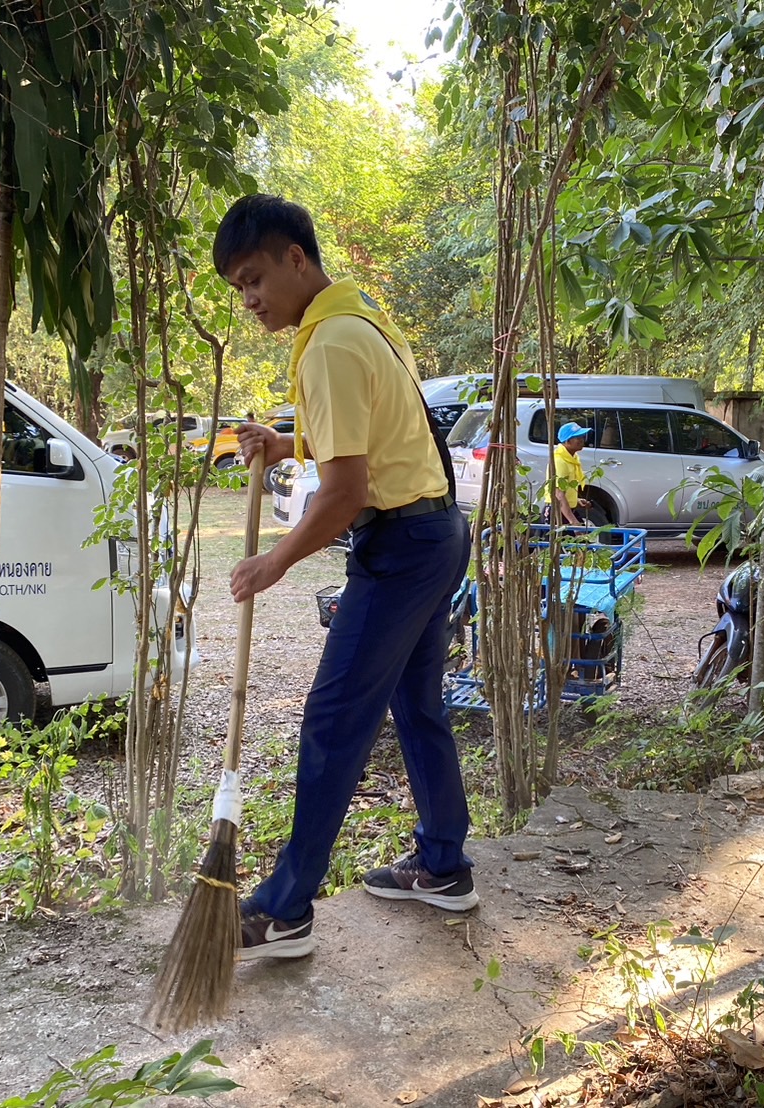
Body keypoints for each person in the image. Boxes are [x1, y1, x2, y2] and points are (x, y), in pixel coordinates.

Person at [216, 194, 476, 960]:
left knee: (333, 725)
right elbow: (372, 436)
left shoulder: (328, 343)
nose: (251, 298)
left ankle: (285, 909)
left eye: (256, 277)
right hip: (435, 531)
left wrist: (275, 559)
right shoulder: (359, 317)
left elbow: (347, 492)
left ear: (298, 258)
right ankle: (442, 864)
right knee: (415, 705)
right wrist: (286, 440)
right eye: (239, 288)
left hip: (399, 548)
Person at [546, 420, 592, 527]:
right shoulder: (559, 461)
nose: (582, 440)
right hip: (557, 511)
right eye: (578, 438)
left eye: (582, 437)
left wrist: (576, 500)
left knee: (580, 540)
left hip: (567, 510)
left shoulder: (572, 459)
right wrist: (573, 521)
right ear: (567, 441)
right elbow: (558, 494)